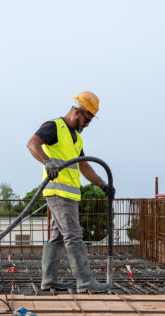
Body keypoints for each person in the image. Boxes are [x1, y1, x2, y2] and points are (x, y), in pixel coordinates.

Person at [27, 91, 115, 293]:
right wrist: (46, 161)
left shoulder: (76, 139)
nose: (88, 124)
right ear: (77, 112)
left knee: (58, 236)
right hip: (59, 192)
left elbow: (84, 167)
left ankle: (48, 279)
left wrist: (102, 184)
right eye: (87, 119)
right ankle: (85, 281)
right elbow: (32, 143)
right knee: (74, 235)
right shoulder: (54, 127)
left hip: (68, 195)